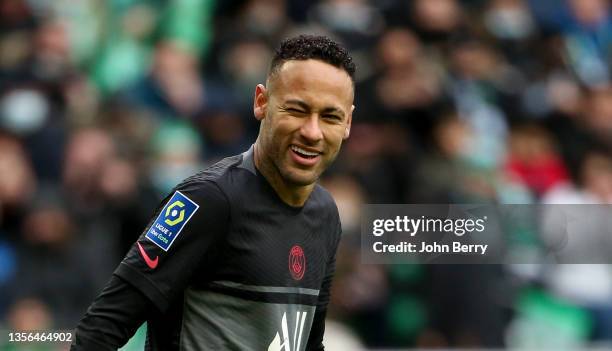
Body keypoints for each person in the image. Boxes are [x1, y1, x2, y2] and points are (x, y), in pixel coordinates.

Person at [71, 34, 355, 351]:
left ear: (347, 123)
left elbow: (309, 344)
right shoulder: (207, 200)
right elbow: (100, 329)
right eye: (297, 110)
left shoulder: (326, 214)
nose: (312, 132)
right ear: (262, 102)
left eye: (330, 116)